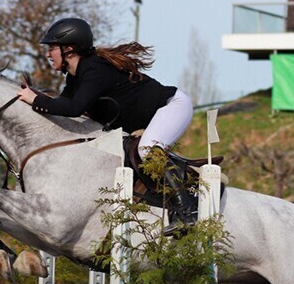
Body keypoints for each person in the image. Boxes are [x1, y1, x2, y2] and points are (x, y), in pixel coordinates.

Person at [14, 17, 195, 238]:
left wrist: (35, 100)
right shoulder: (75, 77)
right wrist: (36, 101)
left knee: (147, 149)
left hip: (173, 106)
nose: (48, 54)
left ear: (68, 49)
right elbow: (63, 107)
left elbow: (73, 108)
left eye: (52, 48)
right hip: (153, 116)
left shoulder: (94, 70)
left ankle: (188, 213)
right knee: (140, 152)